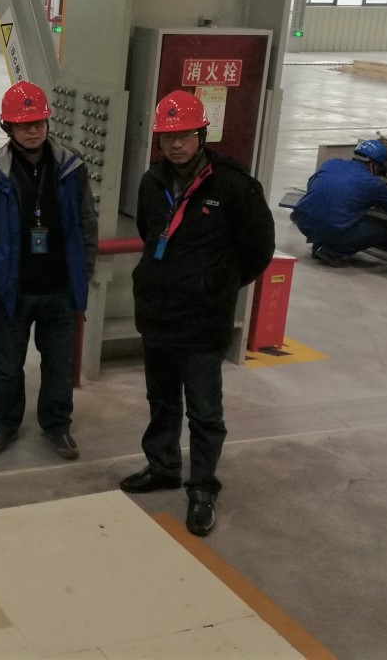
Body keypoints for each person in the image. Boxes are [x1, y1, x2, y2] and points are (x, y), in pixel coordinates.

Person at [120, 90, 274, 537]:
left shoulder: (232, 186)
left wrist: (216, 285)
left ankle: (203, 486)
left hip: (204, 321)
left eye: (185, 135)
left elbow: (258, 249)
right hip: (158, 315)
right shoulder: (151, 183)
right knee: (162, 400)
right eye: (167, 137)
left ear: (202, 135)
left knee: (205, 410)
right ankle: (163, 466)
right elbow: (150, 234)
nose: (176, 145)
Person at [0, 81, 97, 459]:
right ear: (8, 127)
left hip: (60, 290)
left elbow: (87, 223)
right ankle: (5, 424)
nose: (33, 130)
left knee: (58, 366)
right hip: (13, 293)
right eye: (24, 125)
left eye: (38, 122)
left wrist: (82, 273)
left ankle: (57, 425)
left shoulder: (72, 166)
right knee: (7, 367)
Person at [290, 139, 387, 266]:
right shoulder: (372, 183)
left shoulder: (331, 163)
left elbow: (311, 184)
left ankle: (319, 247)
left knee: (331, 213)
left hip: (302, 220)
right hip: (329, 227)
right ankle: (331, 252)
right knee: (380, 233)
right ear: (373, 165)